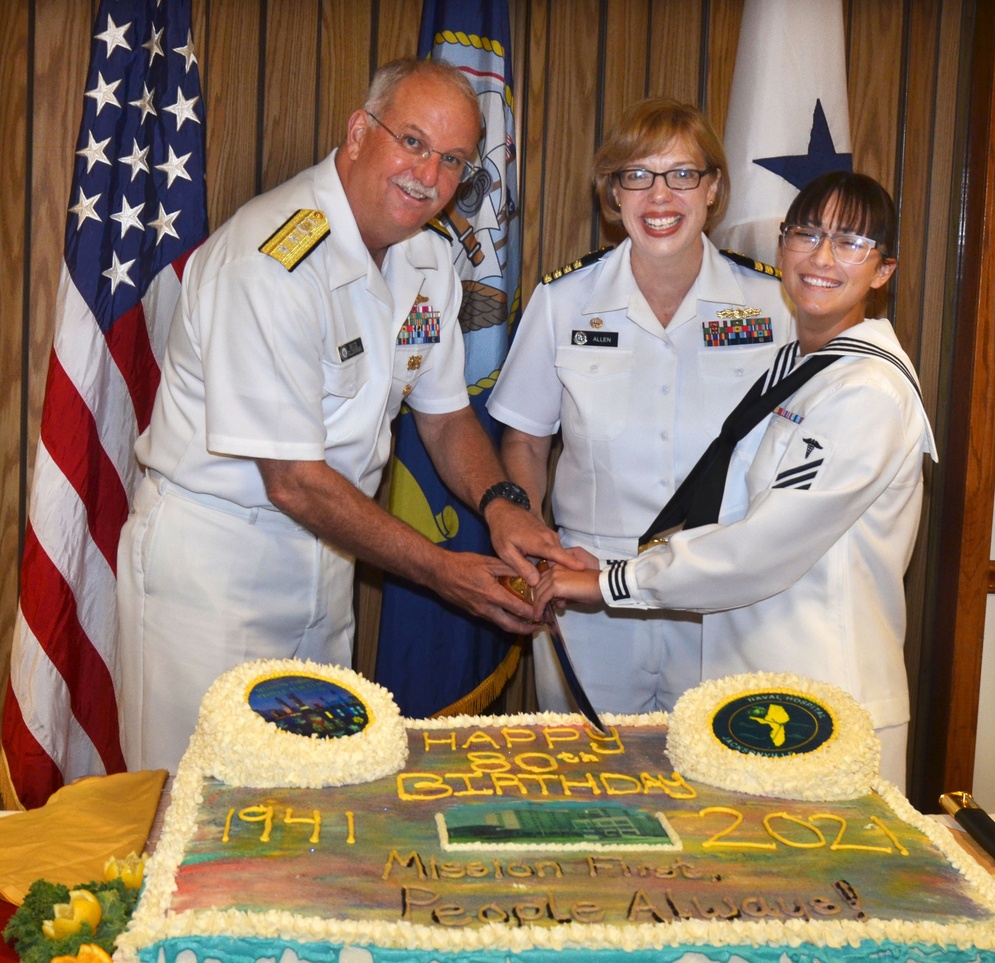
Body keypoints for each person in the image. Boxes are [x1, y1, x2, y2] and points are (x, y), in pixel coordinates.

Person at [116, 58, 576, 773]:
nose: (428, 174)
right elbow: (293, 480)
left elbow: (447, 419)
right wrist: (443, 571)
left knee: (309, 809)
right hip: (216, 570)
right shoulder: (271, 259)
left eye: (453, 160)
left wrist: (504, 503)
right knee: (194, 816)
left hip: (329, 559)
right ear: (360, 131)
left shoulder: (427, 259)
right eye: (413, 142)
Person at [531, 171, 937, 788]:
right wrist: (619, 557)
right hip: (760, 695)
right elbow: (726, 503)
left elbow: (761, 546)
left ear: (883, 271)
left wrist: (610, 581)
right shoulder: (797, 368)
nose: (822, 258)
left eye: (851, 243)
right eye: (807, 235)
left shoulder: (866, 391)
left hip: (828, 708)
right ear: (782, 248)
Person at [486, 98, 794, 714]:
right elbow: (525, 438)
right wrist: (536, 537)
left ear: (713, 189)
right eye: (637, 175)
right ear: (613, 192)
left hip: (720, 595)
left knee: (715, 788)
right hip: (588, 592)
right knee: (584, 789)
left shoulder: (774, 305)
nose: (660, 196)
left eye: (682, 174)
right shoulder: (563, 301)